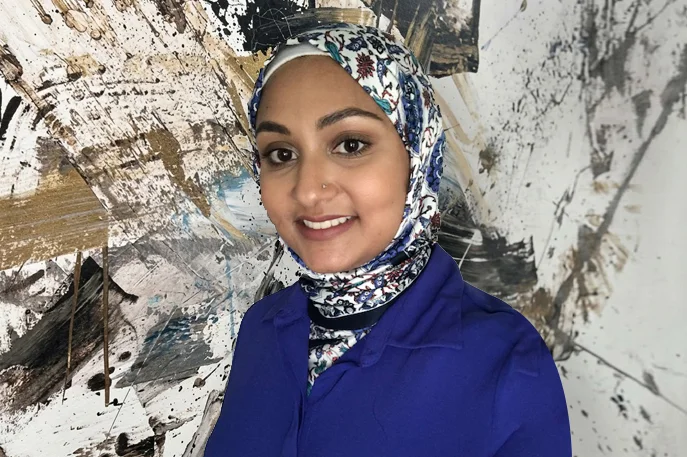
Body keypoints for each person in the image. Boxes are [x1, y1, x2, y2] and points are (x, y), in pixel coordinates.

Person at [204, 23, 571, 456]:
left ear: (417, 156)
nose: (307, 191)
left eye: (350, 145)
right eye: (281, 154)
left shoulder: (506, 363)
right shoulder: (261, 329)